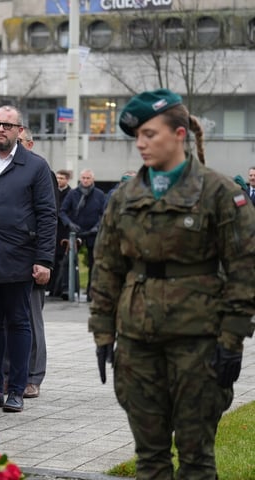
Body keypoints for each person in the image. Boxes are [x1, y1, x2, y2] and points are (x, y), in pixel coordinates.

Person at [90, 88, 255, 479]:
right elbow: (107, 267)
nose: (141, 144)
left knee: (196, 460)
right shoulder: (125, 196)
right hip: (136, 344)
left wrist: (232, 340)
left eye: (151, 134)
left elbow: (244, 269)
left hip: (198, 344)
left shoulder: (219, 193)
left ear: (179, 134)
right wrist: (102, 333)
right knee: (150, 458)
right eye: (138, 137)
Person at [0, 105, 56, 413]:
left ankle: (17, 389)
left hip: (19, 256)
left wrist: (44, 259)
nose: (0, 129)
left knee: (19, 323)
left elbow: (47, 215)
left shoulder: (35, 166)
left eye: (7, 125)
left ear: (19, 131)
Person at [14, 129, 56, 399]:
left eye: (19, 143)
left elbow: (49, 218)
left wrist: (43, 259)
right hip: (7, 259)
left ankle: (33, 376)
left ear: (30, 144)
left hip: (31, 259)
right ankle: (11, 375)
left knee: (32, 319)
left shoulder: (41, 171)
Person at [59, 168, 105, 301]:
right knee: (68, 261)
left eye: (88, 178)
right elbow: (62, 211)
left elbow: (104, 213)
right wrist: (69, 224)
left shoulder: (100, 194)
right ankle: (66, 289)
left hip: (92, 232)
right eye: (83, 178)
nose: (85, 180)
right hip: (75, 232)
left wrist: (97, 226)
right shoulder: (73, 194)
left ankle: (92, 291)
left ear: (93, 179)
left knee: (94, 262)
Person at [49, 169, 72, 298]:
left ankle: (58, 288)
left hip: (63, 231)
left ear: (67, 180)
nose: (59, 180)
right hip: (53, 229)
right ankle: (51, 288)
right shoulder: (52, 190)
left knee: (61, 261)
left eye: (62, 178)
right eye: (57, 178)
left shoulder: (70, 194)